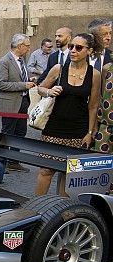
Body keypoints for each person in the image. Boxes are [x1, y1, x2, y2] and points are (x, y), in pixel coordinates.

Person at [34, 33, 102, 196]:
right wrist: (49, 91)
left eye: (78, 48)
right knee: (46, 170)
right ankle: (34, 209)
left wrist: (90, 133)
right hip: (54, 128)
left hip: (78, 130)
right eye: (71, 46)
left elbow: (93, 106)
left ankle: (61, 212)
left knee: (68, 173)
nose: (73, 50)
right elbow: (40, 88)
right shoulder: (59, 68)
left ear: (89, 51)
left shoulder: (94, 75)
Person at [0, 34, 35, 172]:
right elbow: (0, 84)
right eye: (27, 46)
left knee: (20, 133)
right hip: (10, 104)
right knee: (7, 134)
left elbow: (19, 77)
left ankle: (14, 161)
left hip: (22, 102)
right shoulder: (4, 61)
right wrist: (23, 85)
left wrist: (29, 79)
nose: (29, 49)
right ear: (19, 46)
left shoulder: (22, 61)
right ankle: (0, 163)